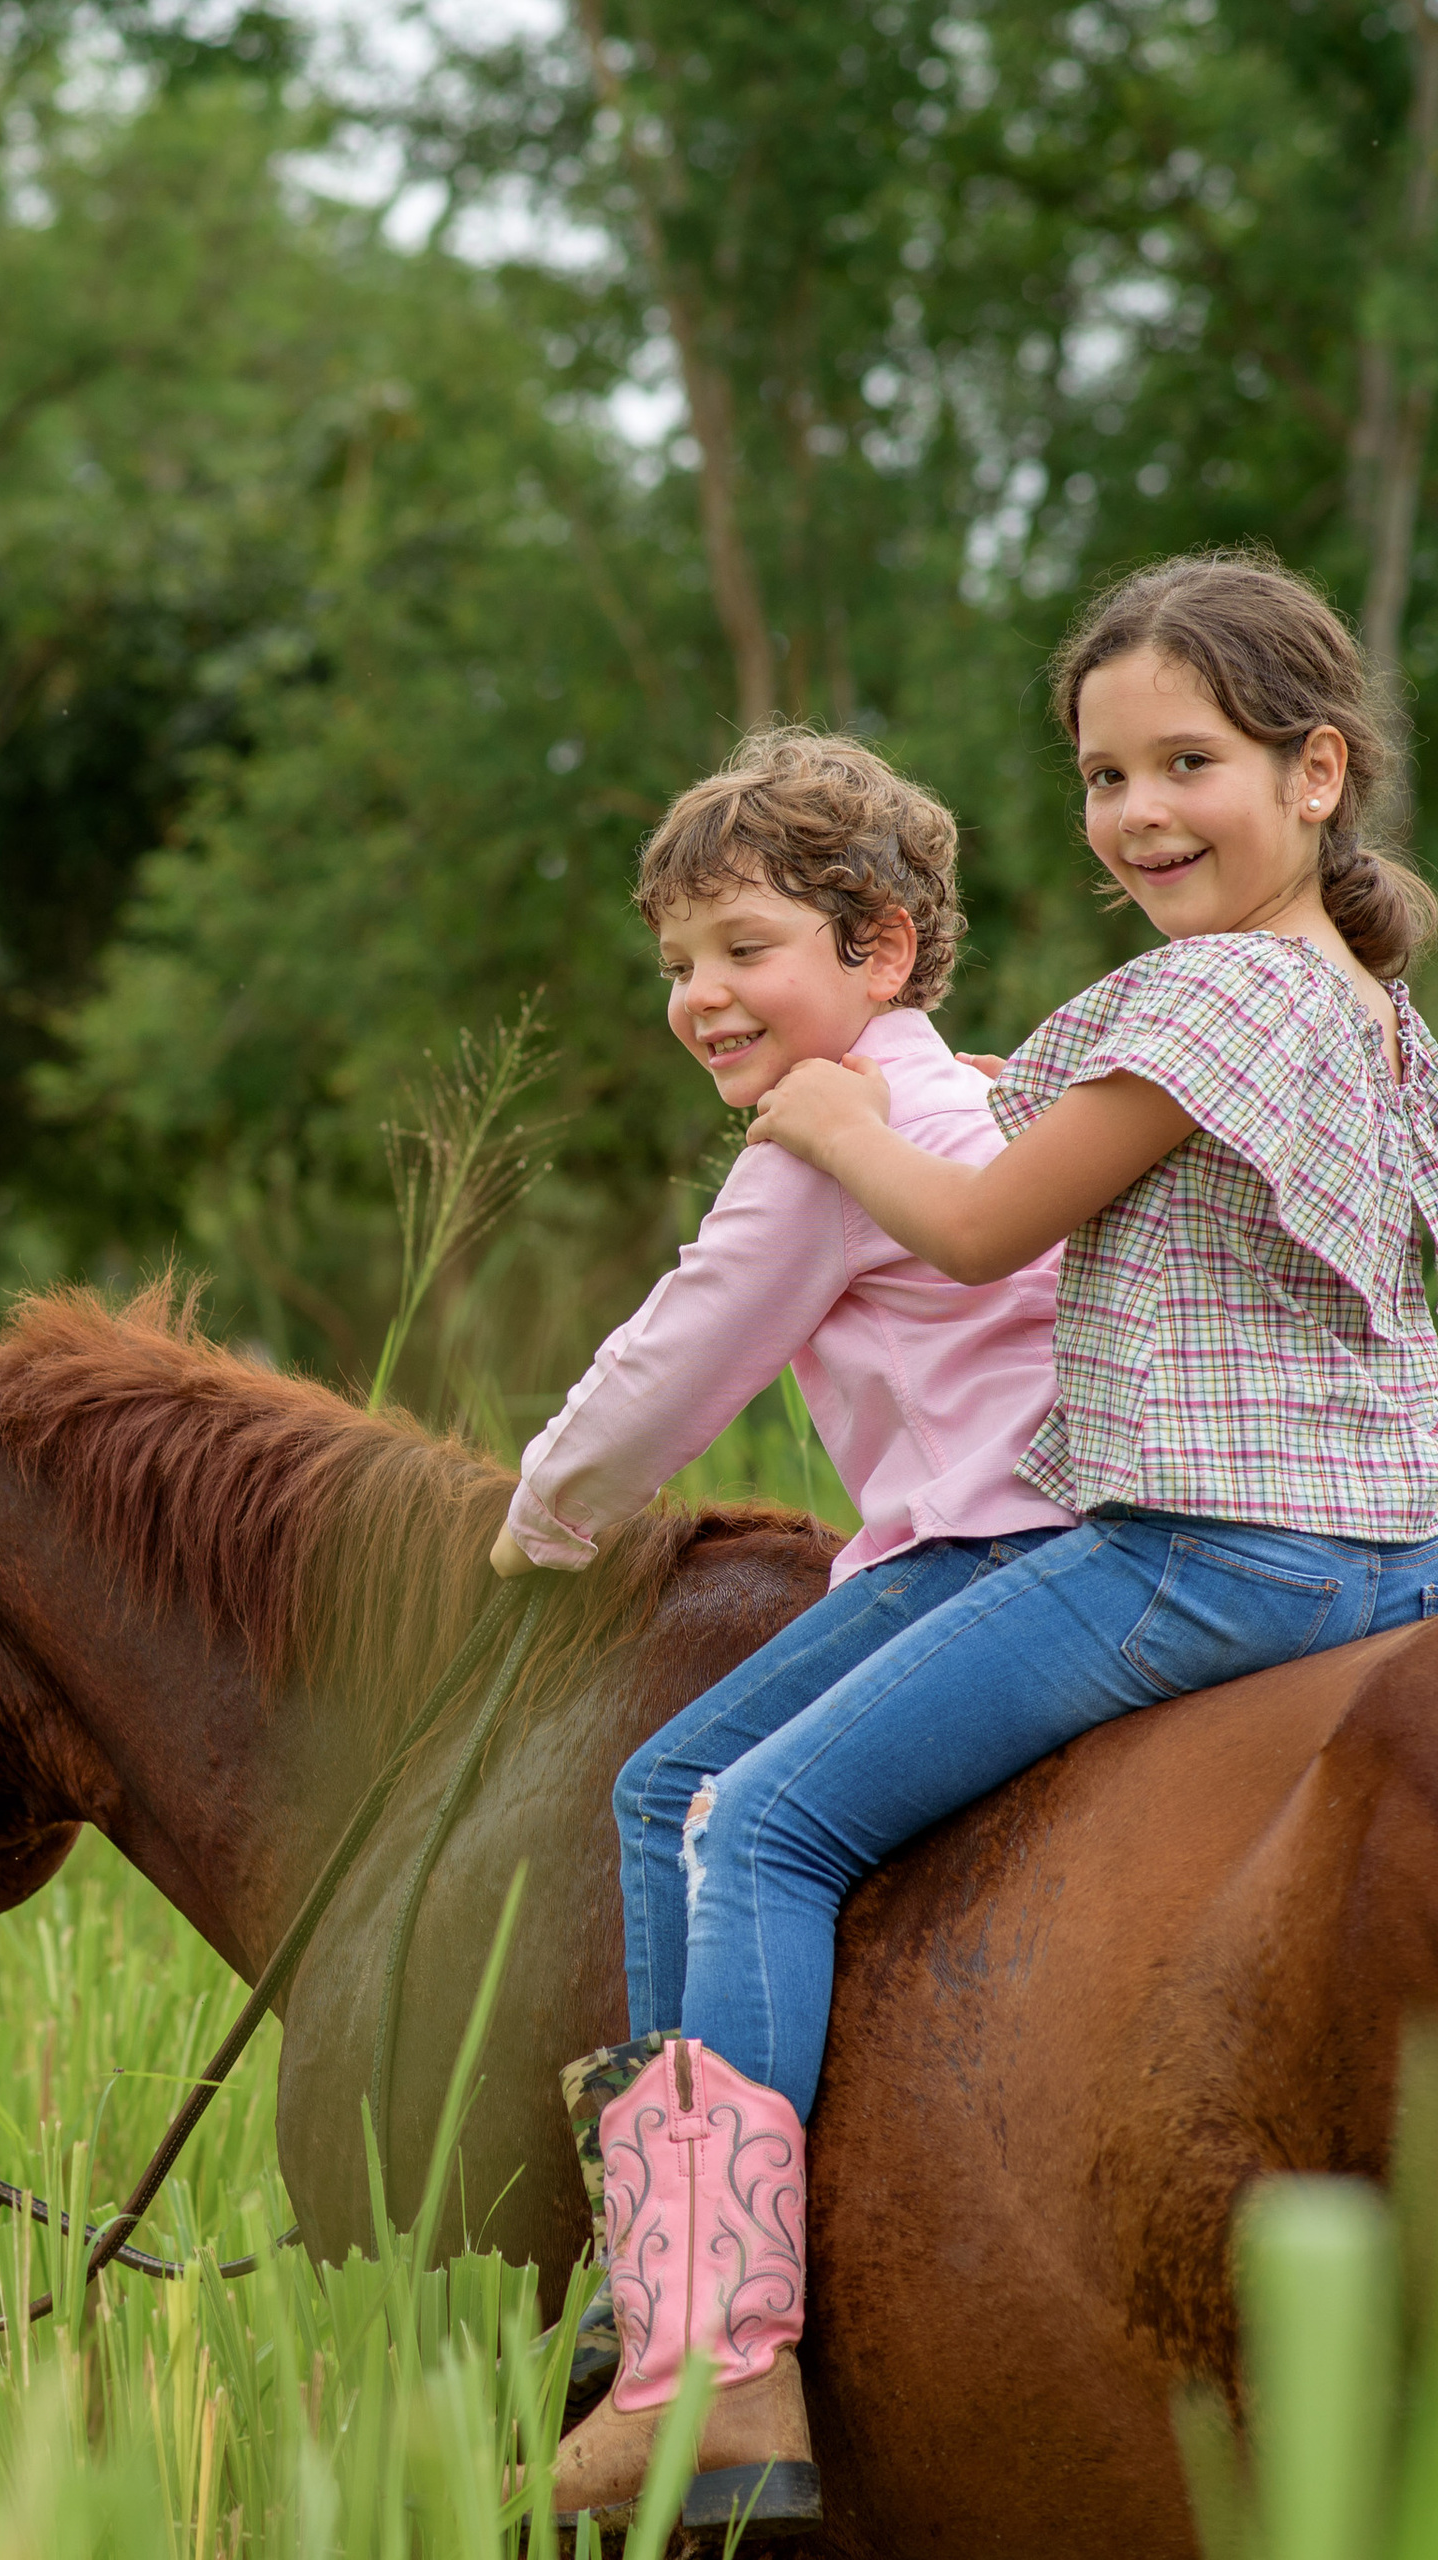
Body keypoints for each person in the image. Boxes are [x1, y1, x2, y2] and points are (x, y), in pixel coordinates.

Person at [540, 549, 1438, 2535]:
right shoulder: (1366, 1010)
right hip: (1401, 1544)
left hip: (1218, 1542)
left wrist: (819, 1113)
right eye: (1100, 776)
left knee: (741, 1823)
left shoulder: (1204, 989)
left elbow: (972, 1223)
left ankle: (722, 2347)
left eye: (1179, 760)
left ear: (1311, 772)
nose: (1130, 811)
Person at [488, 728, 1071, 2532]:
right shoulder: (973, 1094)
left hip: (977, 1540)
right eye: (675, 963)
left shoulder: (830, 1135)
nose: (702, 995)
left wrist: (539, 1521)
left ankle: (689, 2314)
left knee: (683, 1796)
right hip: (1063, 1521)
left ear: (877, 947)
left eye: (744, 947)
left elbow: (674, 1364)